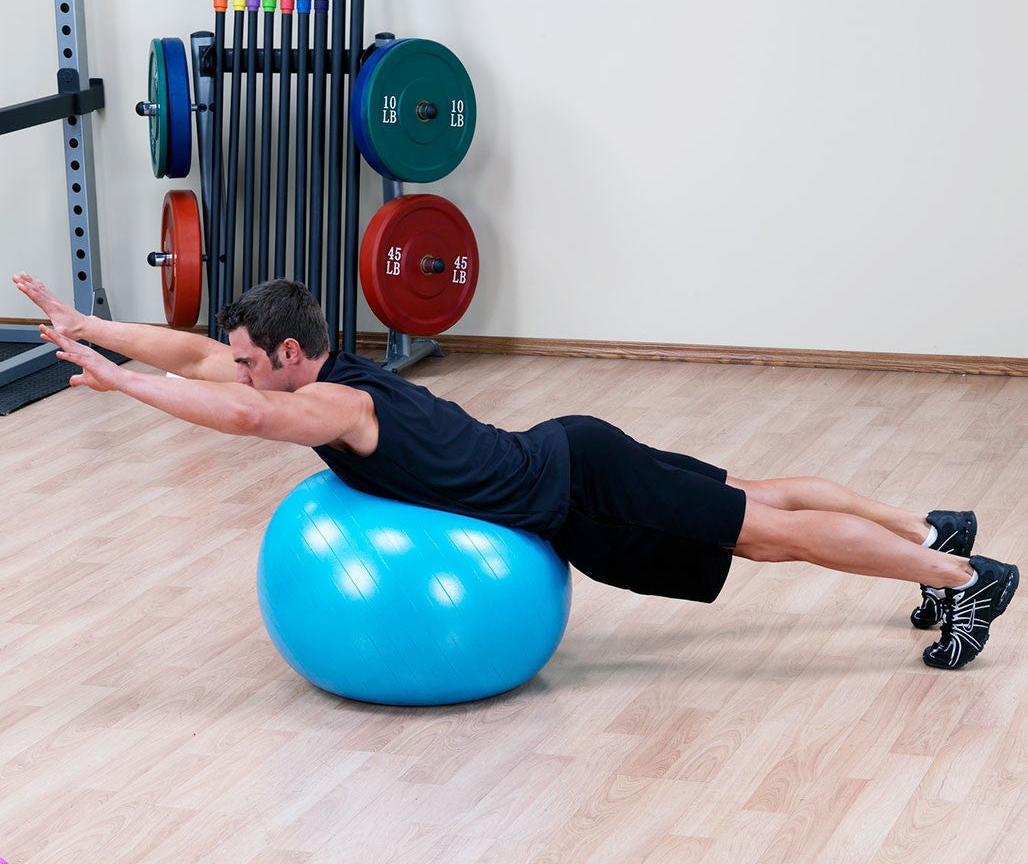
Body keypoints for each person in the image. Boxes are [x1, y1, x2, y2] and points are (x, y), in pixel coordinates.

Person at [14, 273, 1019, 670]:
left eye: (247, 359)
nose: (232, 368)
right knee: (759, 497)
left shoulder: (335, 405)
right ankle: (930, 532)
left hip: (579, 487)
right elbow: (198, 358)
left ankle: (965, 578)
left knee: (767, 533)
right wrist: (89, 325)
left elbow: (237, 410)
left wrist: (120, 384)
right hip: (572, 455)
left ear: (286, 355)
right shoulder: (321, 368)